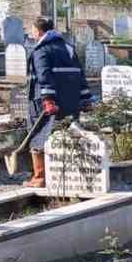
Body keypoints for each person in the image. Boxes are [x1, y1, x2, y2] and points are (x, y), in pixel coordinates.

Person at [24, 18, 92, 188]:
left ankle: (40, 177)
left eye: (33, 30)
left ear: (38, 31)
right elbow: (80, 74)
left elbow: (44, 75)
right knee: (66, 135)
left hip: (46, 102)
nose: (32, 34)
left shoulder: (41, 50)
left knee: (38, 135)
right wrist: (85, 99)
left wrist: (47, 99)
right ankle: (68, 175)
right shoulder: (68, 48)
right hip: (71, 101)